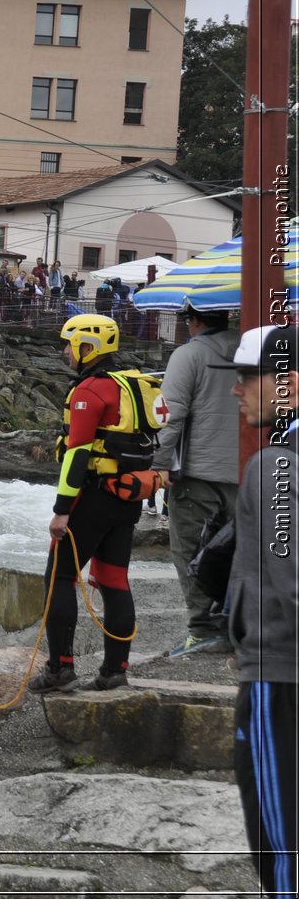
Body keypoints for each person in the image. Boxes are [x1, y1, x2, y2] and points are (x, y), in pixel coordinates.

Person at [211, 324, 297, 897]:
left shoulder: (274, 468)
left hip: (279, 676)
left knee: (280, 839)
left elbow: (291, 587)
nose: (237, 391)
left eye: (248, 378)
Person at [32, 314, 157, 693]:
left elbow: (77, 453)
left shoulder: (89, 390)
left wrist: (62, 509)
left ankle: (60, 668)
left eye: (69, 345)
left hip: (93, 498)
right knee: (114, 579)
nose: (64, 352)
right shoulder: (135, 382)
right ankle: (114, 670)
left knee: (60, 578)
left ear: (89, 348)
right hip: (128, 497)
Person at [153, 304, 240, 658]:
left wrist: (156, 466)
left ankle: (203, 629)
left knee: (191, 552)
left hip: (196, 475)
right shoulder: (254, 349)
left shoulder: (188, 355)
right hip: (244, 474)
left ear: (194, 320)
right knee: (237, 554)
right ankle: (233, 626)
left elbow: (169, 416)